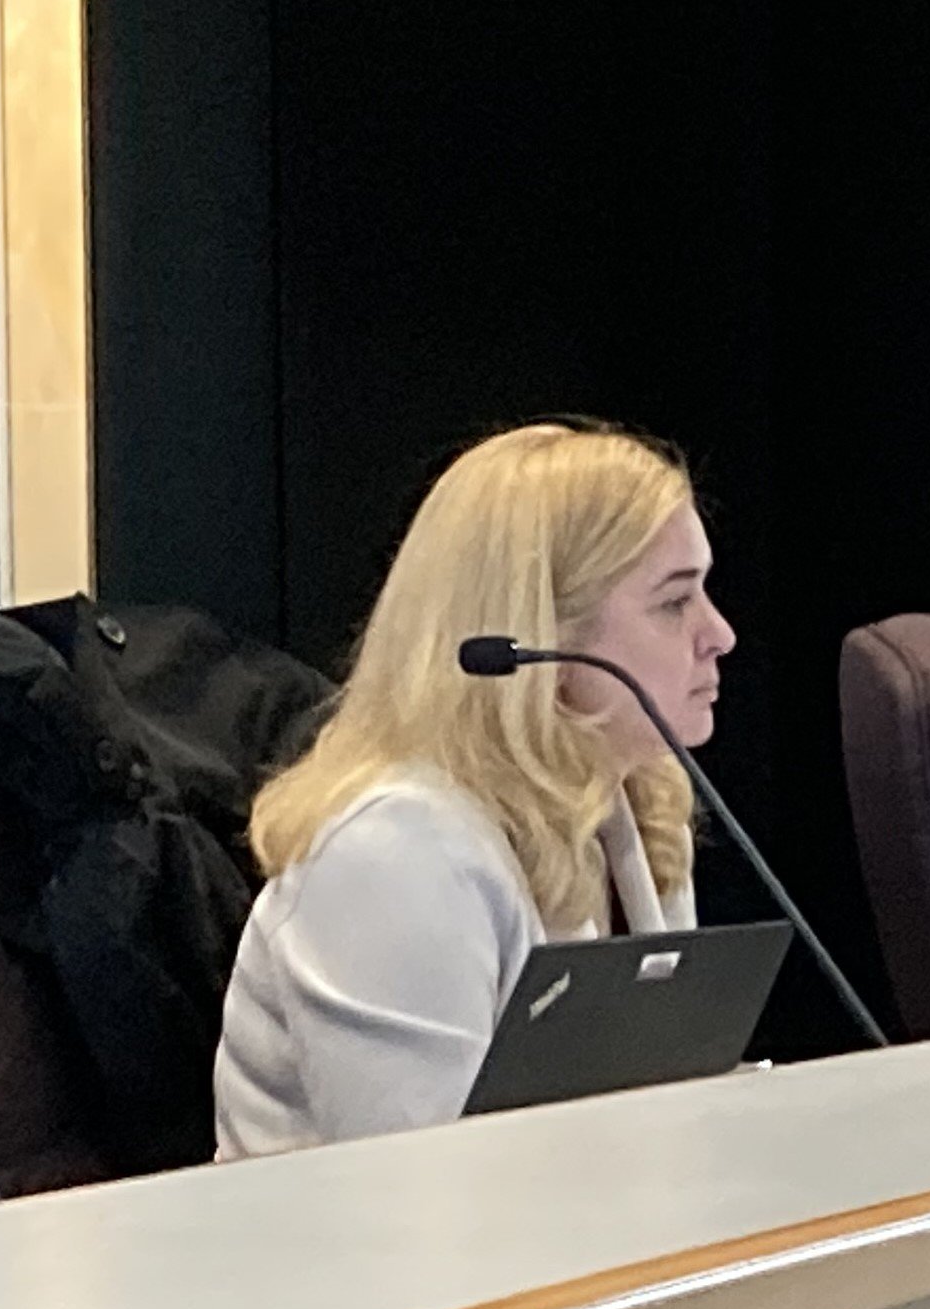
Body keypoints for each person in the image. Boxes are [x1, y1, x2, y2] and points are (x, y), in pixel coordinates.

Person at [213, 422, 733, 1158]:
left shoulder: (639, 807)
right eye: (674, 602)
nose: (720, 634)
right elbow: (417, 1192)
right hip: (352, 1266)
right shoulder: (394, 853)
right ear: (540, 635)